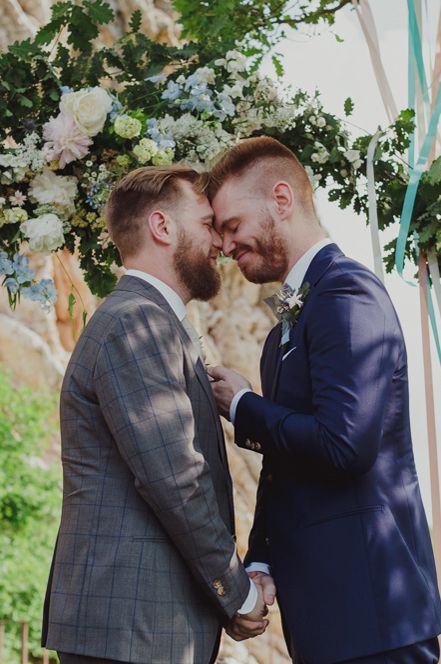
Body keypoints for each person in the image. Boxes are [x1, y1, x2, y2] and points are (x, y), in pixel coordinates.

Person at [207, 136, 441, 664]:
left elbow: (344, 445)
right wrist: (262, 560)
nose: (224, 245)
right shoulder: (281, 333)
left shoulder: (347, 292)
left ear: (282, 200)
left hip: (374, 616)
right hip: (324, 621)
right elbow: (284, 465)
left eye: (232, 225)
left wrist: (243, 406)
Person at [41, 165, 272, 664]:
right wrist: (237, 592)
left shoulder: (149, 320)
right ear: (163, 227)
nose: (221, 242)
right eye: (208, 223)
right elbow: (177, 480)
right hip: (131, 630)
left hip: (143, 628)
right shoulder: (137, 322)